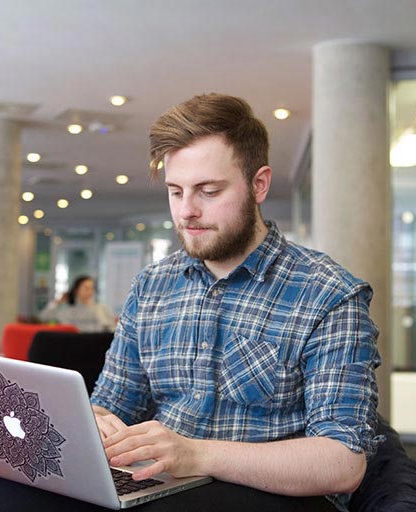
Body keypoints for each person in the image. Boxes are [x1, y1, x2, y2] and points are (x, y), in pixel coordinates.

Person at [90, 94, 381, 511]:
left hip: (268, 495)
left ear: (259, 184)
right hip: (161, 483)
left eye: (208, 191)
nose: (187, 211)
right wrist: (94, 426)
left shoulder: (329, 293)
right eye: (175, 192)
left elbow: (342, 461)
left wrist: (195, 454)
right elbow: (112, 403)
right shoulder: (151, 286)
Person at [38, 275, 116, 333]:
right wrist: (57, 302)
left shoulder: (101, 308)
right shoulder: (67, 309)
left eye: (92, 288)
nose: (90, 291)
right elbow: (43, 317)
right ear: (76, 289)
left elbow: (111, 329)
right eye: (86, 288)